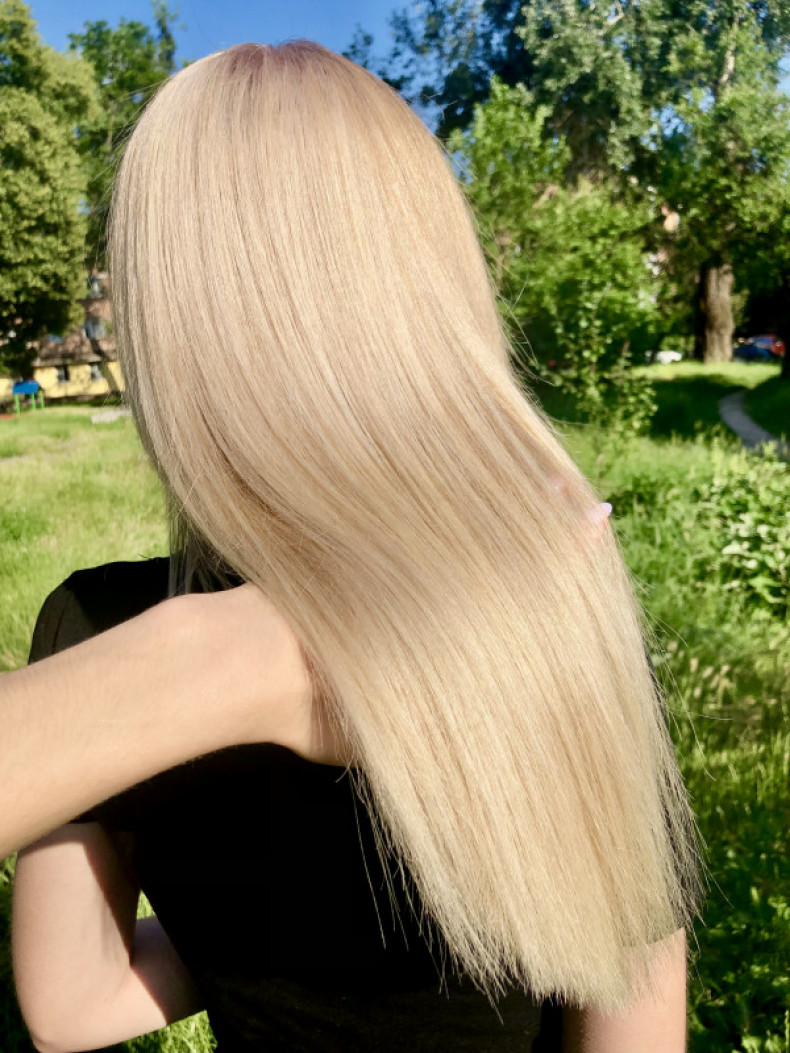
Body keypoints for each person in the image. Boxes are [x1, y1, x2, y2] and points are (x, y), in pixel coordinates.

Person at [11, 41, 698, 1052]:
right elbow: (635, 1021)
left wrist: (238, 926)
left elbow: (74, 1006)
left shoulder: (97, 627)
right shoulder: (549, 603)